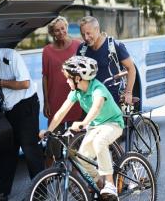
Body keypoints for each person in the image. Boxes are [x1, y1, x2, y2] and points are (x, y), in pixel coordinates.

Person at [40, 55, 124, 199]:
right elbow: (61, 112)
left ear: (78, 78)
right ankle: (101, 184)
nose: (67, 81)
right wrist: (48, 131)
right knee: (82, 159)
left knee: (99, 142)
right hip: (95, 126)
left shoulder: (97, 88)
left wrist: (83, 123)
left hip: (113, 123)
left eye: (68, 78)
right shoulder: (76, 92)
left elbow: (96, 107)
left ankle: (110, 183)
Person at [0, 44, 44, 201]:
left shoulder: (11, 56)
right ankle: (0, 192)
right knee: (5, 150)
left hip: (26, 104)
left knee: (30, 149)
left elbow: (25, 83)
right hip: (7, 109)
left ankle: (40, 193)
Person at [42, 16, 81, 162]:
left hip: (75, 99)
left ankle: (74, 182)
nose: (61, 32)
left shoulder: (78, 46)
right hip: (55, 101)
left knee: (75, 147)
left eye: (63, 28)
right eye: (56, 30)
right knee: (52, 144)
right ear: (52, 33)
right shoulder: (47, 51)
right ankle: (46, 180)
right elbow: (45, 77)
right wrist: (46, 102)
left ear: (67, 28)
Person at [77, 16, 136, 105]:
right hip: (90, 101)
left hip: (112, 101)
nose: (86, 37)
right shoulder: (82, 49)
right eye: (83, 34)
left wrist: (128, 92)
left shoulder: (115, 46)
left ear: (97, 29)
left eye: (88, 33)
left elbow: (131, 68)